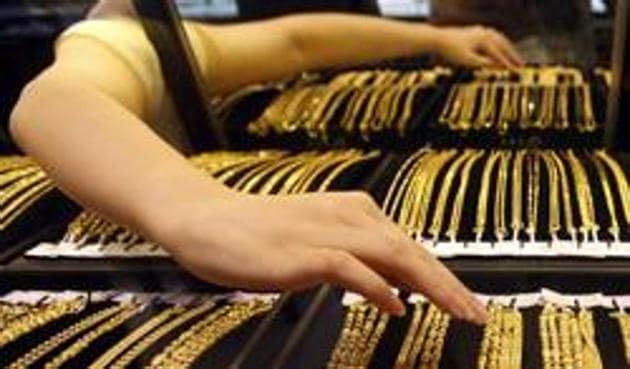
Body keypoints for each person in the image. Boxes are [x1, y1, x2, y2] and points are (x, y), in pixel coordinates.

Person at [10, 0, 524, 324]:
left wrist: (438, 40)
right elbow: (52, 101)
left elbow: (294, 41)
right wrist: (199, 209)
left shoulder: (165, 31)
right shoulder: (116, 31)